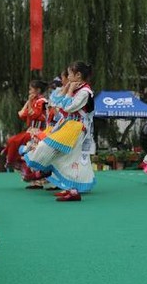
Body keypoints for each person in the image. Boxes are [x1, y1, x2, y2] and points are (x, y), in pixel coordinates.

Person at [23, 61, 96, 201]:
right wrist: (67, 89)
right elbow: (55, 102)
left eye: (69, 74)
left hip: (75, 128)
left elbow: (67, 107)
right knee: (65, 159)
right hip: (68, 126)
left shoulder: (85, 92)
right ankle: (70, 189)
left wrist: (68, 91)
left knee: (60, 155)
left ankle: (67, 187)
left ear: (78, 75)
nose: (68, 77)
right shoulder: (77, 89)